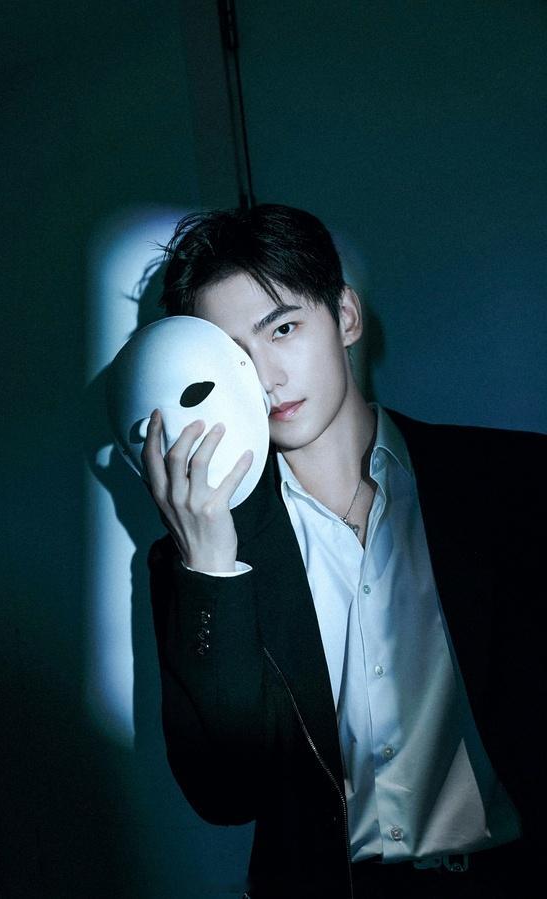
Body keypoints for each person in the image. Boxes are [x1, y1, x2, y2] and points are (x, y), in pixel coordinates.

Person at [141, 204, 544, 898]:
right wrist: (210, 569)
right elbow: (224, 795)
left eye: (283, 329)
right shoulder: (197, 556)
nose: (265, 377)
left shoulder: (511, 483)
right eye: (233, 356)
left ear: (346, 317)